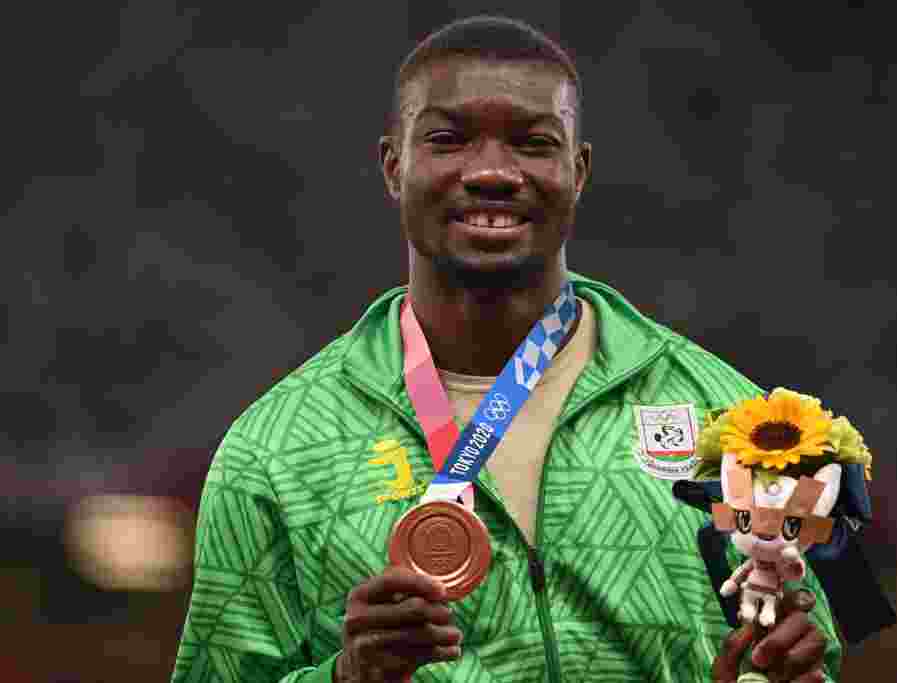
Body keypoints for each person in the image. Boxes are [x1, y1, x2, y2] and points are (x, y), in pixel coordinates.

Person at [171, 15, 842, 683]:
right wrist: (347, 677)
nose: (492, 171)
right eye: (447, 139)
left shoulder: (735, 418)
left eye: (532, 142)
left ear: (577, 172)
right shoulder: (272, 452)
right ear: (392, 166)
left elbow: (821, 654)